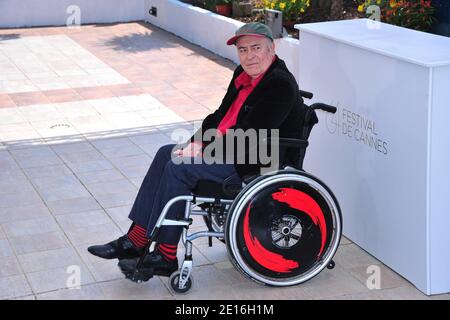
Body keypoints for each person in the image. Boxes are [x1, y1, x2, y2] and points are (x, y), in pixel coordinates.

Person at [87, 22, 307, 279]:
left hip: (254, 160)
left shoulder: (279, 84)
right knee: (165, 153)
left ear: (272, 48)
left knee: (178, 168)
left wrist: (205, 152)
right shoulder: (242, 74)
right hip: (230, 149)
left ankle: (166, 256)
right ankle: (136, 238)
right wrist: (196, 143)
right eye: (243, 50)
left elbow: (251, 137)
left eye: (256, 48)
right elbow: (219, 116)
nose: (250, 56)